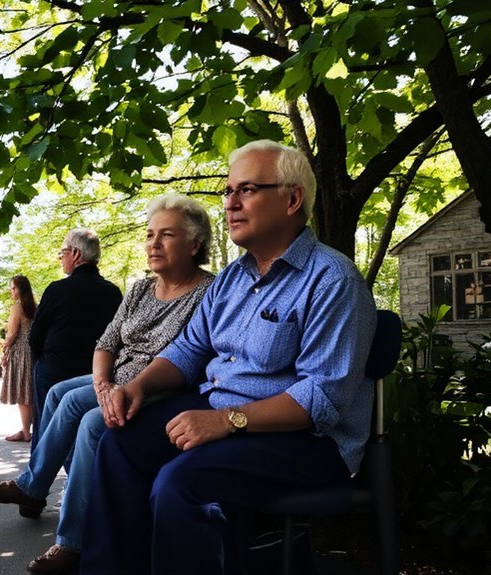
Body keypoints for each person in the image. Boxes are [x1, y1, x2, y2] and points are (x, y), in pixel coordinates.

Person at [81, 140, 378, 575]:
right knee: (118, 446)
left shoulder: (332, 280)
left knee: (181, 484)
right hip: (224, 412)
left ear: (293, 199)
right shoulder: (233, 279)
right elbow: (188, 349)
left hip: (309, 442)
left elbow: (322, 398)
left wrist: (226, 421)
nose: (230, 204)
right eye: (228, 192)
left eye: (247, 190)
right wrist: (137, 386)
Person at [0, 194, 215, 573]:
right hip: (118, 372)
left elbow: (193, 358)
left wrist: (114, 389)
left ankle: (67, 536)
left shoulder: (209, 292)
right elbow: (107, 341)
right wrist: (103, 383)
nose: (153, 243)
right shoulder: (138, 289)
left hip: (162, 384)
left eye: (166, 235)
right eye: (150, 234)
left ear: (194, 244)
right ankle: (40, 487)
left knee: (83, 416)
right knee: (58, 393)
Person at [28, 228, 123, 449]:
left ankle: (35, 479)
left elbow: (35, 337)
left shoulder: (57, 289)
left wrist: (45, 361)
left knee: (45, 428)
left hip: (55, 369)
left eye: (63, 253)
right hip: (94, 373)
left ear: (76, 254)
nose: (61, 258)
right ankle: (76, 480)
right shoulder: (113, 292)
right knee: (83, 434)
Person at [0, 275, 38, 442]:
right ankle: (31, 429)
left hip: (20, 354)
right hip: (33, 353)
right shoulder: (35, 307)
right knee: (30, 393)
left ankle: (25, 432)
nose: (11, 292)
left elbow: (12, 334)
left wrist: (5, 349)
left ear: (21, 289)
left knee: (23, 395)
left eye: (13, 288)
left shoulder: (17, 307)